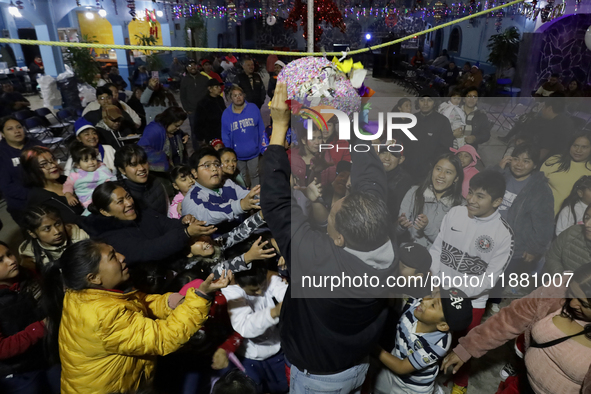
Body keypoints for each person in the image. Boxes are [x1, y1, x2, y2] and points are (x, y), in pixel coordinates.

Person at [262, 83, 397, 393]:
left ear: (338, 240)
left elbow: (276, 203)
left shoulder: (317, 261)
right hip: (358, 365)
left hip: (318, 380)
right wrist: (350, 116)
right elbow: (372, 176)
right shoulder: (386, 245)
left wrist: (279, 127)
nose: (334, 202)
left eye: (333, 214)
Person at [43, 239, 231, 394]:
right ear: (94, 278)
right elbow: (165, 337)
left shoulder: (84, 293)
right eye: (112, 257)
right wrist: (201, 296)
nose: (122, 257)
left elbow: (136, 303)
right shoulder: (102, 316)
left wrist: (170, 302)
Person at [442, 263, 591, 394]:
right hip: (521, 384)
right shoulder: (559, 288)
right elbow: (512, 317)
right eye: (571, 294)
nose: (572, 304)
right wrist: (468, 347)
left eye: (584, 304)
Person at [429, 170, 514, 393]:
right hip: (438, 289)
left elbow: (490, 279)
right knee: (435, 338)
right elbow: (437, 248)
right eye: (471, 193)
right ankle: (433, 376)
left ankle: (460, 384)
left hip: (471, 301)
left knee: (463, 345)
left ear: (497, 201)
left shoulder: (503, 234)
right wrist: (436, 279)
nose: (471, 199)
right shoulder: (455, 213)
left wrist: (455, 291)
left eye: (480, 196)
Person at [83, 182, 216, 267]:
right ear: (105, 212)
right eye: (120, 202)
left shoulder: (143, 213)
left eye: (128, 196)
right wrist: (186, 233)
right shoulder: (110, 238)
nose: (129, 203)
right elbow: (150, 249)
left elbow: (168, 225)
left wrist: (184, 223)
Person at [373, 289, 473, 394]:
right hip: (394, 359)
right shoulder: (415, 304)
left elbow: (401, 367)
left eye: (434, 305)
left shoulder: (438, 345)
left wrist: (370, 345)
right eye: (431, 295)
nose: (425, 300)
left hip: (412, 386)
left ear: (442, 325)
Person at [0, 240, 59, 394]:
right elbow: (1, 349)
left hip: (49, 353)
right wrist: (40, 328)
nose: (11, 261)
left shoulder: (28, 276)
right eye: (1, 260)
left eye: (9, 254)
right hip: (19, 369)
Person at [494, 144, 554, 289]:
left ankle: (492, 302)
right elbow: (480, 187)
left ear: (534, 165)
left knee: (500, 280)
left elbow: (544, 223)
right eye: (516, 159)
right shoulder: (502, 176)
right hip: (489, 237)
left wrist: (535, 249)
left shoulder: (540, 190)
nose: (519, 164)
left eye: (526, 161)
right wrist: (497, 169)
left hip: (514, 247)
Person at [222, 263, 288, 393]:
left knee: (283, 386)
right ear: (238, 283)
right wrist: (274, 312)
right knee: (254, 388)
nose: (259, 292)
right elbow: (245, 327)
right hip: (250, 356)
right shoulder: (231, 292)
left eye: (261, 287)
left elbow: (283, 291)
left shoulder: (264, 277)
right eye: (253, 290)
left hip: (277, 349)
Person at [182, 147, 260, 232]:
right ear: (194, 173)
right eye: (207, 165)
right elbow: (208, 214)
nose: (214, 168)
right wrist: (240, 206)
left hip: (244, 233)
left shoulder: (227, 183)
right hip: (218, 242)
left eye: (217, 164)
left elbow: (248, 196)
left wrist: (260, 196)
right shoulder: (192, 198)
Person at [398, 154, 464, 248]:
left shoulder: (460, 206)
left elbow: (451, 245)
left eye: (448, 172)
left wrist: (427, 227)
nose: (441, 175)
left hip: (437, 260)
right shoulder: (415, 193)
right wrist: (401, 225)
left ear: (456, 178)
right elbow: (395, 233)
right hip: (408, 255)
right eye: (438, 169)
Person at [0, 116, 44, 226]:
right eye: (10, 129)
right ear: (2, 133)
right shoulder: (2, 153)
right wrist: (34, 194)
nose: (16, 131)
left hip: (45, 195)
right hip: (22, 204)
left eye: (19, 127)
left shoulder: (35, 144)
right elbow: (6, 185)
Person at [22, 146, 84, 224]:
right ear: (32, 170)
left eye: (53, 160)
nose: (53, 165)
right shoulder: (38, 198)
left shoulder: (66, 180)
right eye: (44, 164)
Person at [402, 90, 454, 180]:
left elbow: (446, 147)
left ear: (434, 103)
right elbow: (403, 143)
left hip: (430, 172)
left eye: (429, 100)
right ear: (418, 102)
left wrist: (432, 165)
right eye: (422, 100)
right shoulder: (410, 120)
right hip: (408, 170)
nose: (425, 103)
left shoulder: (442, 121)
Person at [19, 204, 89, 270]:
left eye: (58, 224)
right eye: (47, 228)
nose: (57, 232)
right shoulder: (31, 257)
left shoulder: (79, 237)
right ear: (32, 233)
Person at [221, 85, 265, 188]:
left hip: (253, 152)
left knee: (255, 174)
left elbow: (261, 129)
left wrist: (262, 146)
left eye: (240, 94)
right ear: (231, 98)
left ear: (244, 95)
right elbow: (225, 135)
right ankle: (245, 196)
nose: (238, 97)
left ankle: (256, 196)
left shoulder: (253, 108)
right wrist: (229, 152)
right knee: (241, 176)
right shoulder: (226, 114)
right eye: (235, 95)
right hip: (237, 154)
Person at [541, 131, 591, 215]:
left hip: (569, 222)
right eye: (575, 146)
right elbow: (535, 185)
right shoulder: (554, 160)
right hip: (539, 213)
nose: (578, 150)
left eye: (584, 147)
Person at [114, 144, 169, 216]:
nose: (141, 168)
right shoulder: (118, 194)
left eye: (143, 162)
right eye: (134, 165)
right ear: (122, 170)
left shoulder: (156, 181)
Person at [63, 141, 115, 208]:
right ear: (78, 164)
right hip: (88, 203)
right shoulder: (75, 174)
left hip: (107, 198)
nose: (91, 162)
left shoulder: (101, 168)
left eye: (93, 159)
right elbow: (67, 186)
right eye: (86, 161)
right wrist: (69, 196)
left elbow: (112, 180)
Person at [545, 203, 591, 275]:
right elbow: (552, 257)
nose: (587, 224)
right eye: (587, 217)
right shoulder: (572, 233)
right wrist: (561, 280)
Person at [138, 106, 188, 172]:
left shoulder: (173, 131)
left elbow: (181, 134)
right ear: (168, 121)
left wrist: (186, 135)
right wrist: (164, 159)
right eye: (176, 125)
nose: (178, 128)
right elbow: (141, 149)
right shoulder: (154, 131)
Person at [289, 122, 336, 187]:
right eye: (312, 139)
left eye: (319, 138)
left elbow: (331, 180)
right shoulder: (291, 155)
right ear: (303, 140)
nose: (317, 142)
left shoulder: (325, 155)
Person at [378, 140, 412, 220]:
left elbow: (393, 214)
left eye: (393, 154)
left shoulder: (404, 180)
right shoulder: (370, 173)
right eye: (384, 152)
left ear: (401, 160)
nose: (387, 158)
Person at [194, 79, 226, 148]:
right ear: (210, 89)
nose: (219, 88)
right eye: (216, 87)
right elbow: (198, 122)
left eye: (220, 87)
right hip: (211, 135)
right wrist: (200, 138)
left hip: (222, 132)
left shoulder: (220, 99)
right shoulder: (203, 103)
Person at [180, 60, 210, 134]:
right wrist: (187, 109)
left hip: (205, 109)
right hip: (192, 111)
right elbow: (183, 96)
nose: (193, 67)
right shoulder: (184, 80)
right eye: (190, 66)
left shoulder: (204, 78)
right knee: (195, 132)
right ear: (187, 68)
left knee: (207, 130)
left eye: (194, 65)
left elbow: (209, 93)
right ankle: (196, 146)